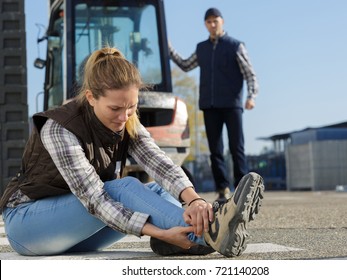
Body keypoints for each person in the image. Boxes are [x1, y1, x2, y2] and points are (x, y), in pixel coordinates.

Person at [0, 47, 264, 257]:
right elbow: (96, 200)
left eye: (131, 107)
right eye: (115, 108)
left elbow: (159, 164)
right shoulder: (60, 128)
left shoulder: (126, 121)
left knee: (158, 191)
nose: (123, 116)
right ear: (91, 97)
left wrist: (193, 200)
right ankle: (209, 232)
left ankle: (188, 236)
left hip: (74, 228)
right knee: (121, 188)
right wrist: (157, 232)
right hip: (28, 227)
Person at [169, 7, 259, 202]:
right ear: (205, 25)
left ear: (222, 22)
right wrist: (168, 49)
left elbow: (250, 74)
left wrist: (251, 96)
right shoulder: (202, 48)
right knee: (215, 150)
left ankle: (243, 189)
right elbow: (186, 65)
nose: (212, 24)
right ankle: (222, 189)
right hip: (209, 106)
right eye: (208, 21)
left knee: (237, 148)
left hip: (232, 104)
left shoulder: (236, 46)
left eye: (215, 21)